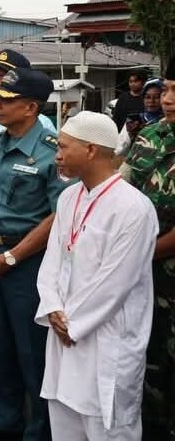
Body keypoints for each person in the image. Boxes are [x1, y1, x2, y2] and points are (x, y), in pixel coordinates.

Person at [0, 67, 72, 441]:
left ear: (30, 107)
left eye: (5, 100)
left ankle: (39, 430)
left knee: (32, 352)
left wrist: (12, 257)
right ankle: (2, 421)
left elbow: (59, 215)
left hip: (29, 263)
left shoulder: (52, 151)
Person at [35, 111, 157, 440]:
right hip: (63, 335)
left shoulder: (134, 207)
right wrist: (52, 305)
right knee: (64, 422)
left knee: (108, 428)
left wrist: (71, 322)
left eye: (63, 147)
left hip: (106, 340)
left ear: (91, 150)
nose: (56, 155)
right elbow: (52, 262)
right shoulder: (68, 197)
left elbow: (116, 282)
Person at [120, 63, 175, 441]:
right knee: (147, 359)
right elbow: (119, 192)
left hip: (156, 266)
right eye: (167, 89)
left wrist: (138, 255)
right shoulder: (151, 135)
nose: (168, 100)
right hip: (143, 278)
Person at [115, 78, 162, 157]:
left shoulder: (169, 122)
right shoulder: (134, 121)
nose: (151, 101)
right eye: (147, 97)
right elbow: (119, 149)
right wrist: (131, 136)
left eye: (157, 97)